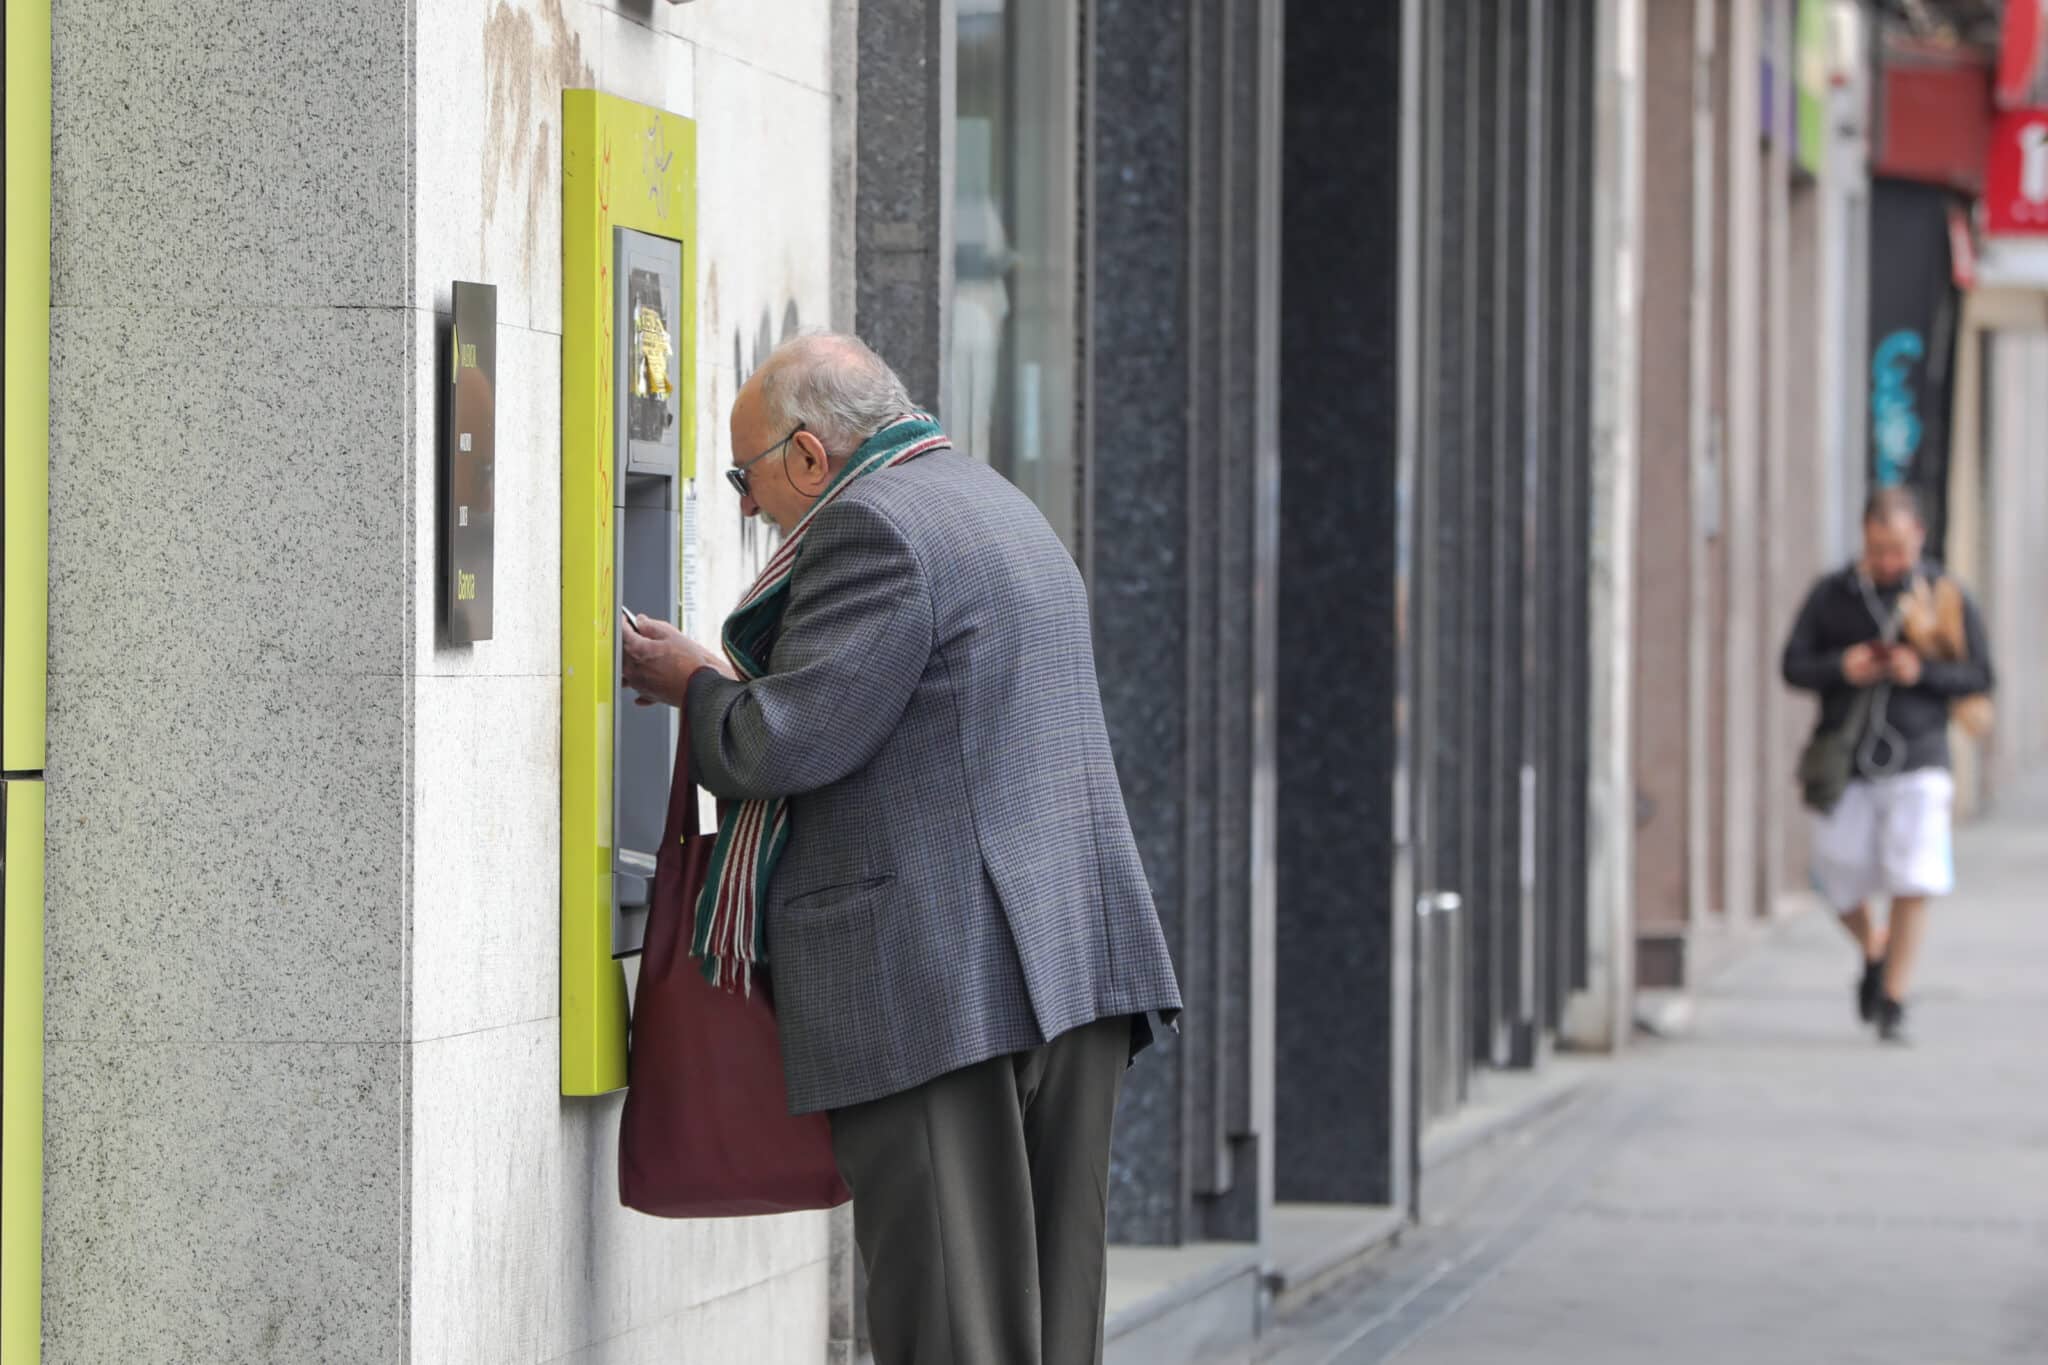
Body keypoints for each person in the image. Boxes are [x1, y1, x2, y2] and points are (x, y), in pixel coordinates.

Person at [620, 332, 1183, 1364]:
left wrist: (695, 684)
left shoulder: (870, 528)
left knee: (951, 1324)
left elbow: (783, 741)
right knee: (1048, 1328)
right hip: (1063, 967)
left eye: (747, 478)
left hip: (938, 982)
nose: (747, 509)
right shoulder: (991, 503)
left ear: (806, 456)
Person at [1780, 486, 1993, 1043]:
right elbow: (1793, 665)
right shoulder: (1833, 595)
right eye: (1878, 550)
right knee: (1836, 870)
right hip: (1848, 758)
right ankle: (1875, 946)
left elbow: (1980, 676)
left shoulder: (1945, 595)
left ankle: (1893, 997)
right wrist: (1841, 667)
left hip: (1920, 754)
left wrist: (1918, 673)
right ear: (1863, 541)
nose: (1888, 562)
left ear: (1918, 537)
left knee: (1914, 874)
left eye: (1897, 549)